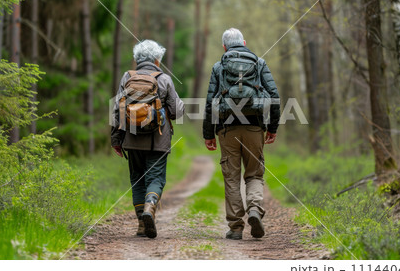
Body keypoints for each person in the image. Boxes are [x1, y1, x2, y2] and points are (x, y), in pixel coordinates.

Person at [202, 28, 280, 240]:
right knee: (254, 173)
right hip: (254, 127)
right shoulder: (259, 63)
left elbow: (210, 102)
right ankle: (254, 209)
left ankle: (236, 227)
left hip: (227, 129)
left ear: (224, 47)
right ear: (244, 43)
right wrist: (272, 128)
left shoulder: (219, 67)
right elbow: (274, 96)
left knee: (232, 178)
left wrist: (208, 133)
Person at [111, 40, 184, 239]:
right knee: (156, 178)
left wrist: (116, 139)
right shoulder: (164, 79)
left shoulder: (127, 77)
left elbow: (116, 110)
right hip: (158, 140)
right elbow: (177, 113)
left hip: (131, 139)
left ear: (137, 59)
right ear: (157, 60)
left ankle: (142, 226)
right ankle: (150, 209)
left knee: (137, 180)